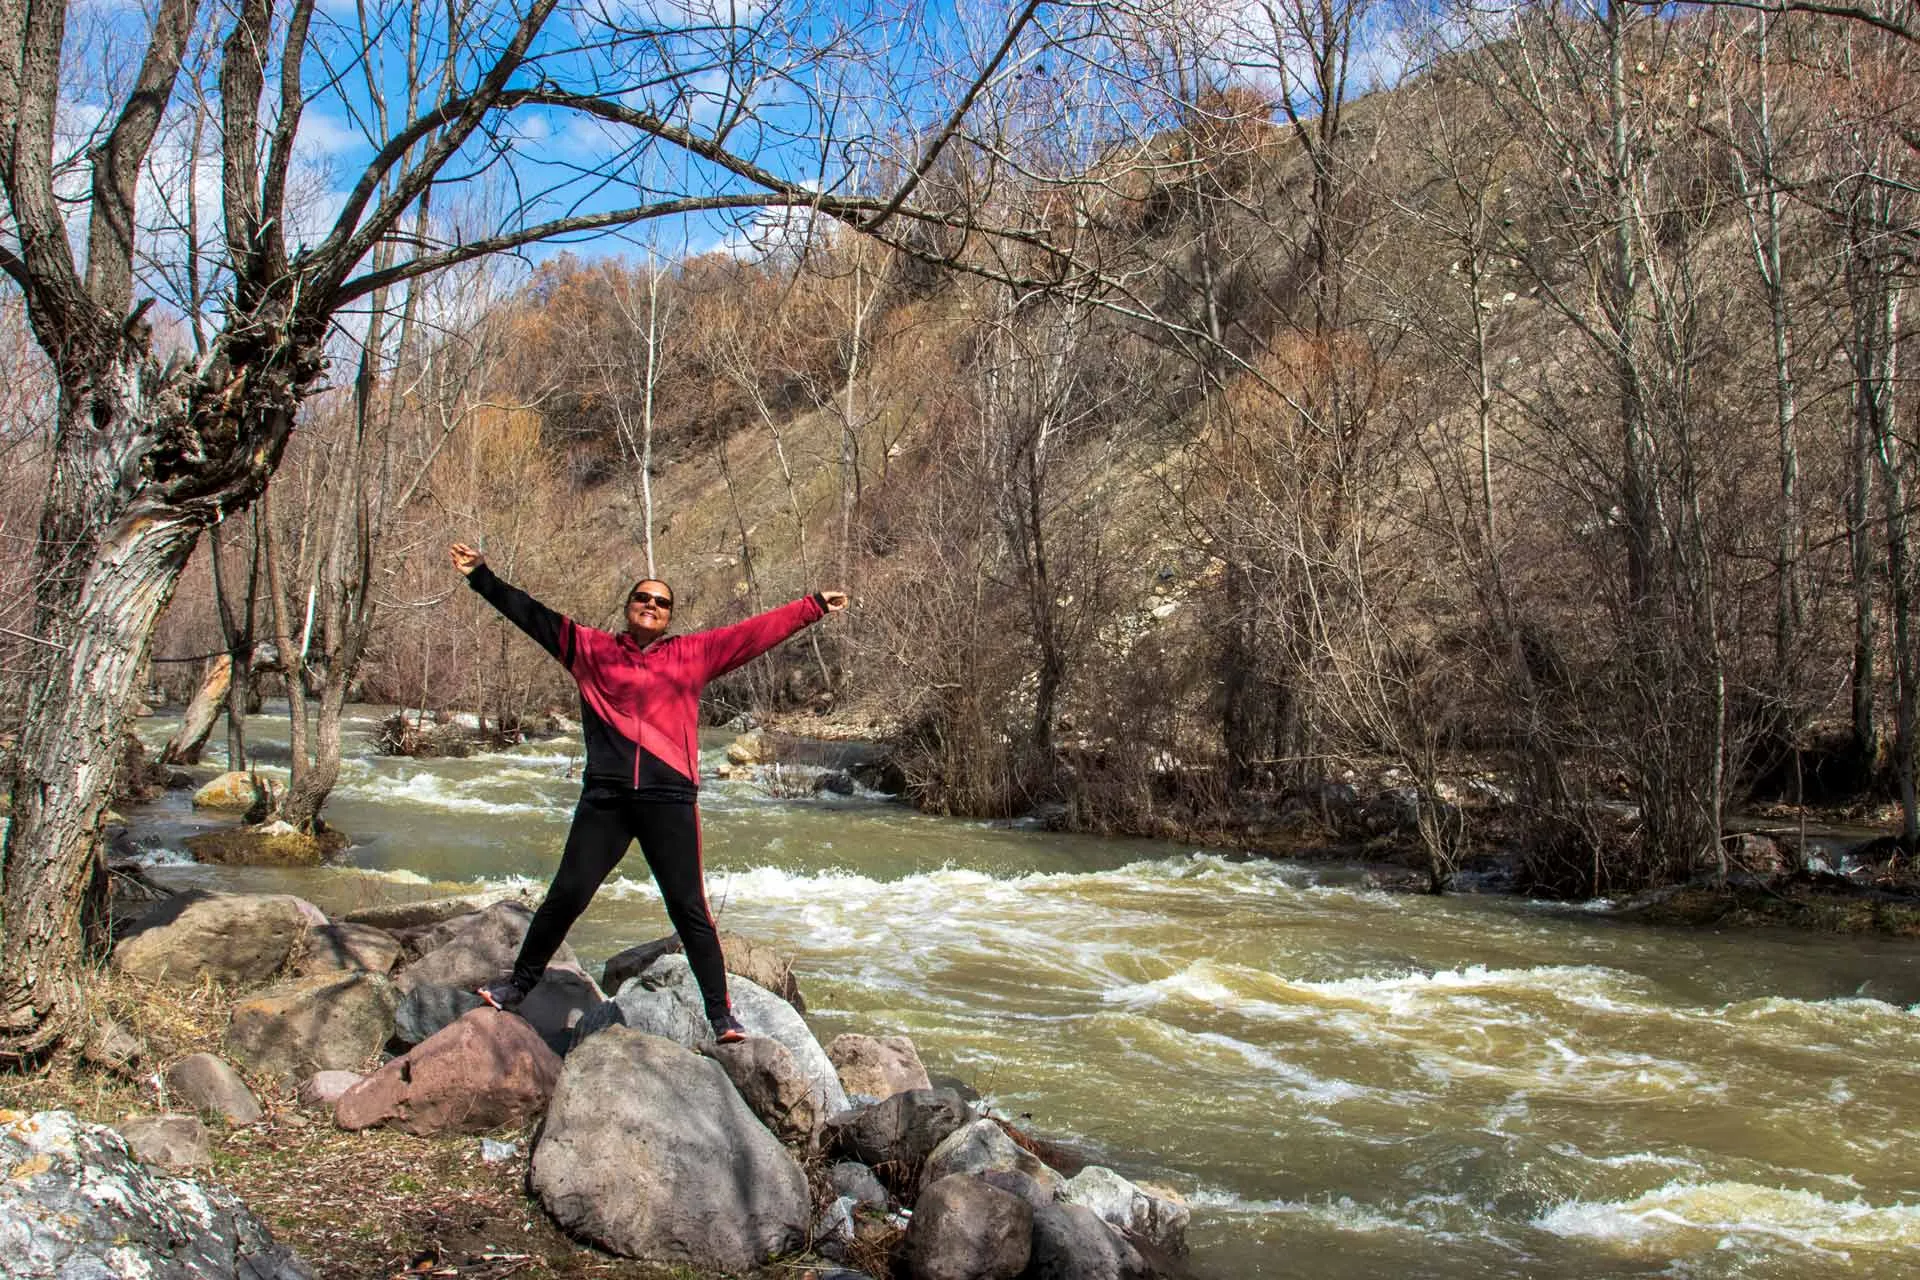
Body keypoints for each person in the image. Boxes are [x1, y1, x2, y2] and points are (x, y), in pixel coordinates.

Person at [448, 541, 847, 1043]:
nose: (652, 606)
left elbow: (753, 634)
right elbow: (530, 614)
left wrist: (811, 607)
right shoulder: (589, 649)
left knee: (689, 909)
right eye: (644, 598)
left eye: (662, 602)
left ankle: (721, 1016)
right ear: (629, 606)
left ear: (669, 615)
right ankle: (516, 987)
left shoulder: (693, 654)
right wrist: (481, 576)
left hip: (668, 800)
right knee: (566, 896)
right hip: (607, 801)